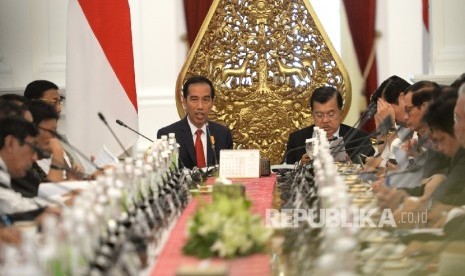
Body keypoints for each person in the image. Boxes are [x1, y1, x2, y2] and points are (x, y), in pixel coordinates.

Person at [157, 76, 233, 169]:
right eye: (194, 99)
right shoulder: (168, 135)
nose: (200, 106)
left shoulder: (223, 134)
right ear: (184, 102)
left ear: (212, 103)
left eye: (205, 100)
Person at [284, 86, 374, 164]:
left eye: (331, 114)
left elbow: (372, 173)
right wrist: (300, 165)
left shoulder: (359, 139)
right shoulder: (297, 139)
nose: (325, 120)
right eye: (319, 115)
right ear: (312, 115)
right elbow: (283, 171)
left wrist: (352, 167)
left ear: (341, 113)